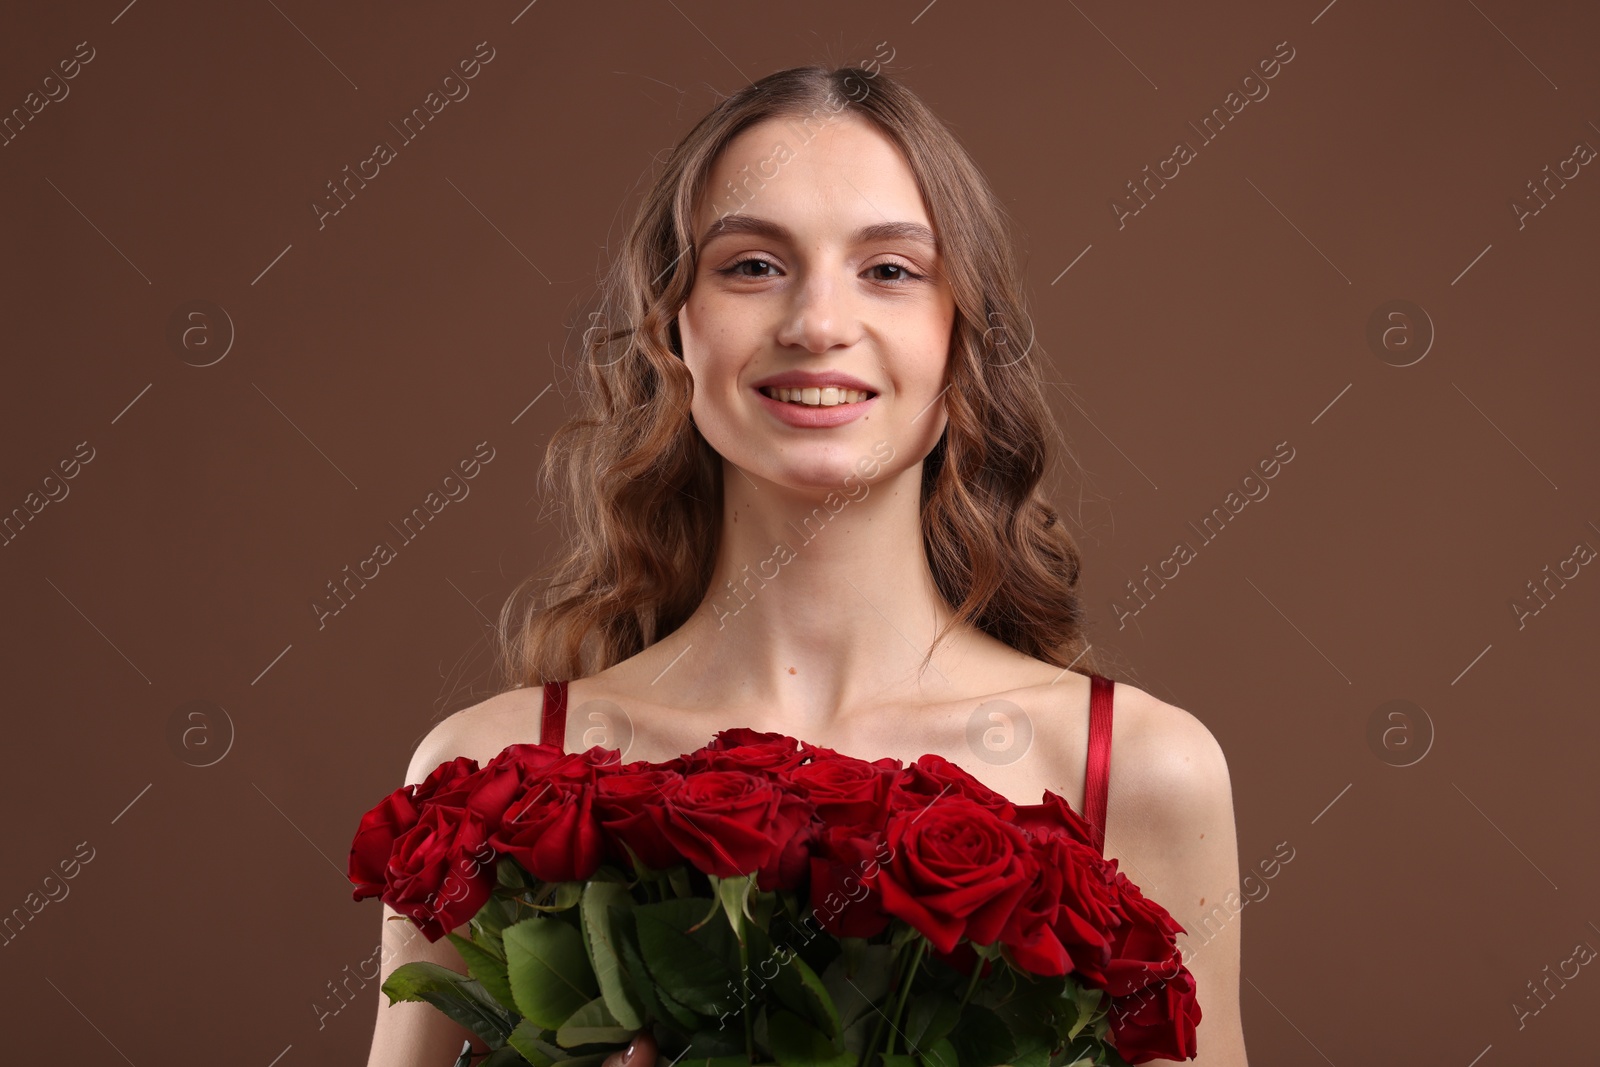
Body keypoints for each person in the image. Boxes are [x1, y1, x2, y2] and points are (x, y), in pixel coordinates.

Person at [365, 63, 1247, 1066]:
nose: (817, 322)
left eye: (890, 270)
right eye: (751, 266)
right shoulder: (485, 777)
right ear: (673, 329)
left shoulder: (1138, 768)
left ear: (962, 337)